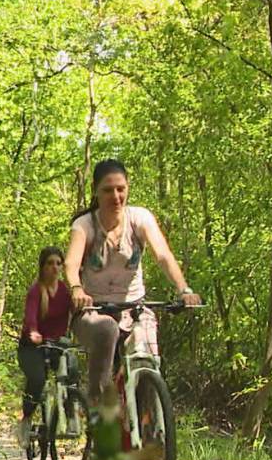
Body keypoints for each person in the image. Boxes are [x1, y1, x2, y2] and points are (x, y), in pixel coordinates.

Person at [64, 159, 201, 410]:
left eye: (121, 189)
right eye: (108, 190)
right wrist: (76, 289)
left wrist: (184, 289)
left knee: (147, 359)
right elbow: (71, 265)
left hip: (134, 307)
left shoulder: (140, 218)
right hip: (94, 311)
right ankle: (98, 407)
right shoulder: (84, 226)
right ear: (95, 191)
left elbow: (163, 255)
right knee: (106, 330)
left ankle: (148, 428)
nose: (115, 196)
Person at [16, 246, 72, 448]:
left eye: (58, 263)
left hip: (56, 343)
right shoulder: (36, 290)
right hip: (32, 346)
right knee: (38, 378)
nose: (55, 268)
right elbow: (30, 314)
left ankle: (70, 415)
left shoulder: (65, 290)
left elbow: (75, 311)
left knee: (71, 372)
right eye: (50, 263)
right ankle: (26, 419)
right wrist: (33, 331)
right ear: (42, 266)